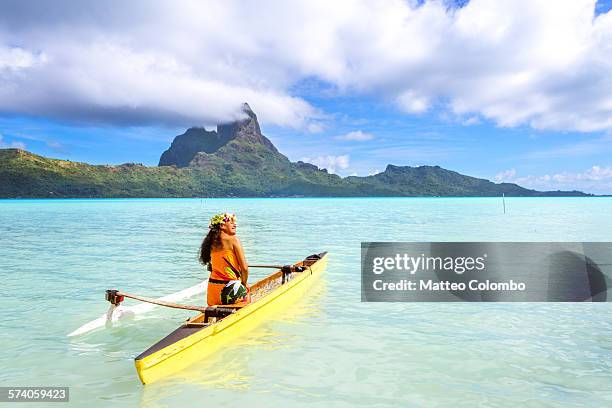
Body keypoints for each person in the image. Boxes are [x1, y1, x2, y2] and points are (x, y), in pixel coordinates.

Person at [199, 212, 250, 306]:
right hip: (229, 290)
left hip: (213, 291)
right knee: (248, 293)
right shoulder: (233, 239)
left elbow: (211, 267)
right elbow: (244, 268)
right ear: (222, 225)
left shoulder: (210, 242)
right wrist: (244, 284)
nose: (235, 224)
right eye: (231, 222)